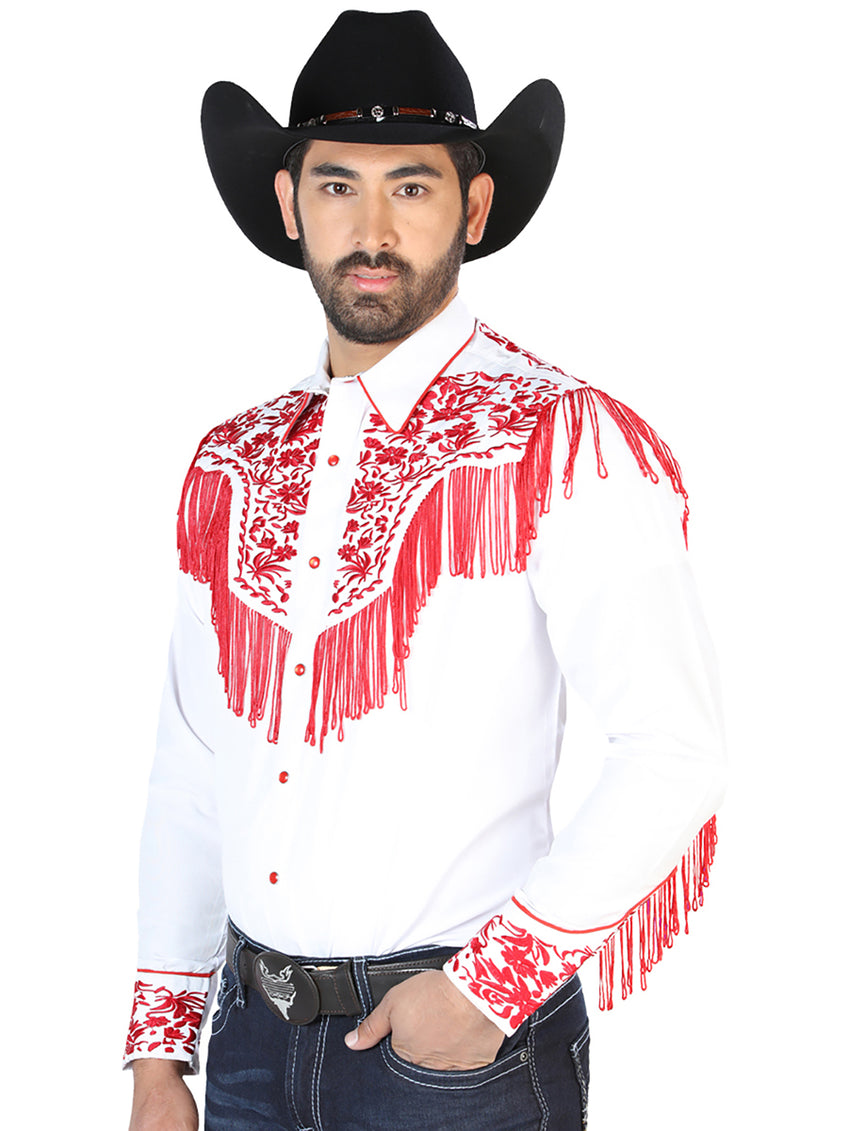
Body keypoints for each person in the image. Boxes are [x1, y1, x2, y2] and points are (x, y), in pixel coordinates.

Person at [125, 11, 725, 1130]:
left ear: (474, 208)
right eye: (336, 185)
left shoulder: (561, 438)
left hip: (452, 1055)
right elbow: (192, 766)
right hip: (245, 1047)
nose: (371, 230)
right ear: (288, 204)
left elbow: (673, 747)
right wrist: (162, 1052)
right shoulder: (231, 461)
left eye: (410, 186)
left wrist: (483, 992)